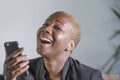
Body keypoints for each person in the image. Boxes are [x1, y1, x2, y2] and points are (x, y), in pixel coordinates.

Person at [3, 11, 103, 80]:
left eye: (57, 27)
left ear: (70, 45)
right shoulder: (21, 71)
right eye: (45, 24)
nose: (45, 29)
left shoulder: (89, 76)